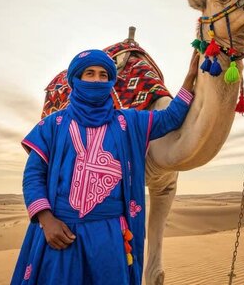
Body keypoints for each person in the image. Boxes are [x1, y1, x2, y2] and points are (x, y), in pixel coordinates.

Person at [11, 49, 199, 284]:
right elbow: (33, 175)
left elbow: (171, 117)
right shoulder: (52, 125)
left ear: (111, 81)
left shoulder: (128, 122)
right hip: (61, 233)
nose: (97, 80)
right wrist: (45, 219)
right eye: (89, 73)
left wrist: (191, 77)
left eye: (103, 75)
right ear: (76, 80)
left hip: (109, 237)